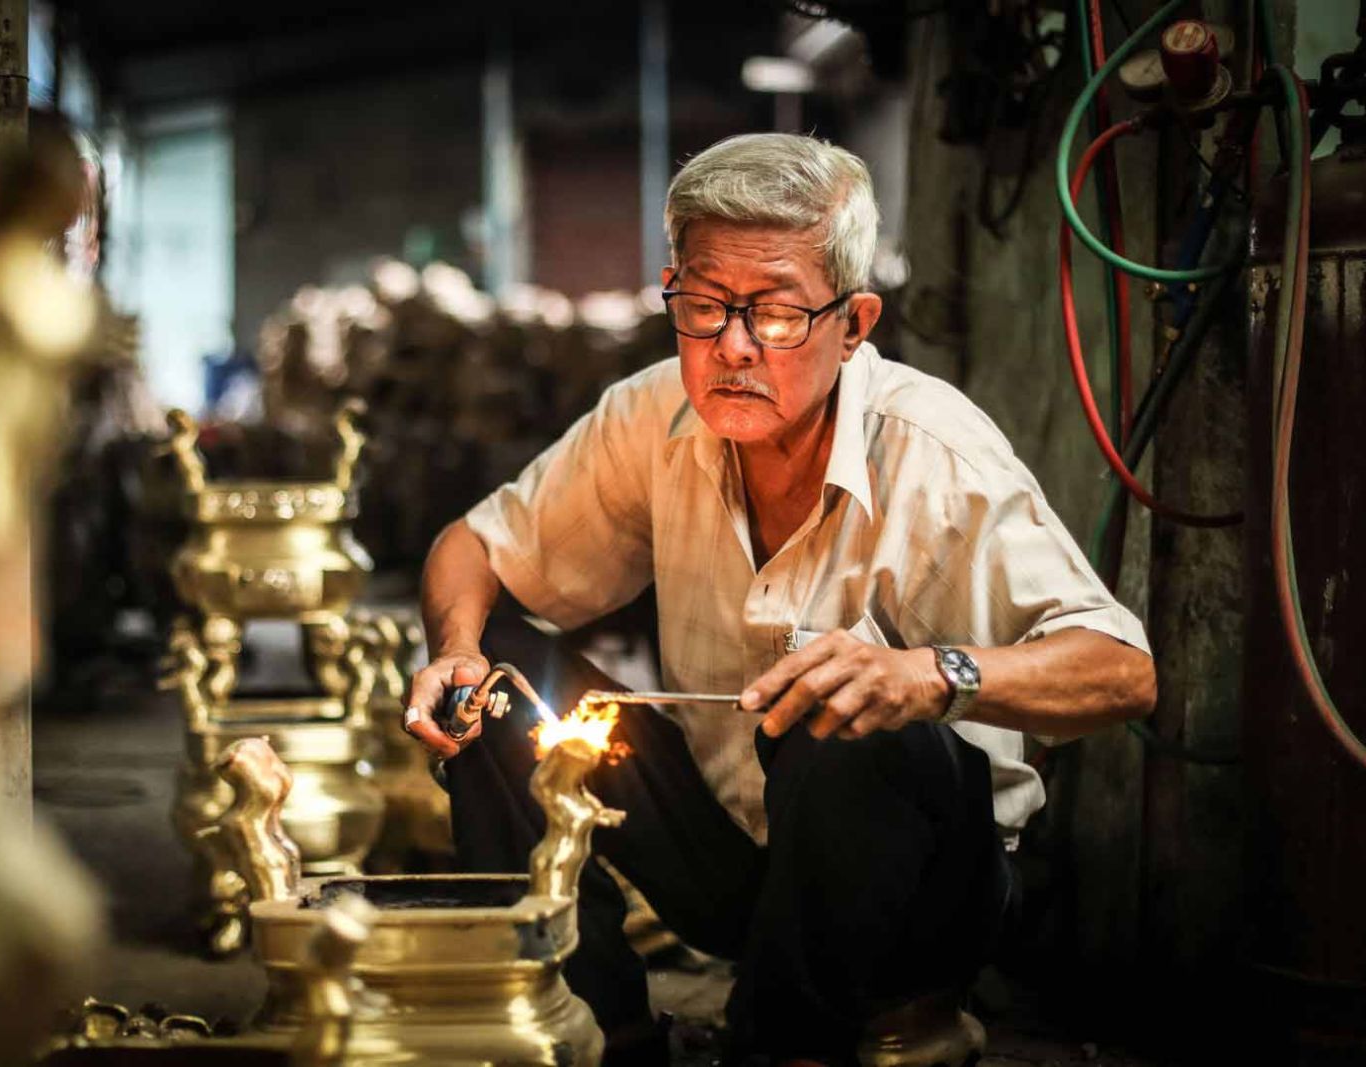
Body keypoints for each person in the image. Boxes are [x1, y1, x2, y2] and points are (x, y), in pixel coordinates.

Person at [401, 133, 1156, 1066]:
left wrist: (931, 676)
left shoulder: (932, 453)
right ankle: (600, 1033)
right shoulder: (655, 418)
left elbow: (1122, 671)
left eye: (777, 315)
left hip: (918, 901)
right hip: (733, 866)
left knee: (849, 719)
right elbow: (472, 547)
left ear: (855, 321)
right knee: (503, 681)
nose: (734, 347)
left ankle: (780, 1046)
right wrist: (456, 651)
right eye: (706, 306)